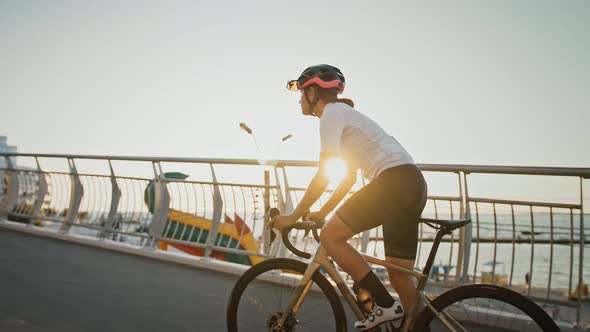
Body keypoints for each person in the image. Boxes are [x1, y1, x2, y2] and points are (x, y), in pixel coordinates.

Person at [268, 64, 428, 330]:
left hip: (392, 182)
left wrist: (292, 216)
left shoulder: (331, 114)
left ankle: (384, 305)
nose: (299, 99)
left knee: (332, 237)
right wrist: (322, 212)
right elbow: (348, 178)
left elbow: (323, 174)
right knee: (400, 276)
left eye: (302, 91)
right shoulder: (346, 115)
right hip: (412, 182)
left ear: (313, 92)